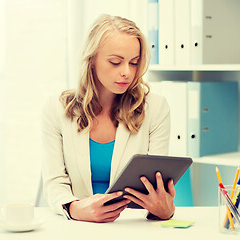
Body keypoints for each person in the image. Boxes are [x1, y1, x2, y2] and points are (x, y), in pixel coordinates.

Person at [42, 14, 175, 223]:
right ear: (92, 60)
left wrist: (163, 210)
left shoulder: (156, 108)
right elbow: (54, 182)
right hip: (78, 227)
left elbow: (156, 186)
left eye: (134, 63)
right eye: (115, 62)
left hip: (132, 228)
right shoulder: (56, 109)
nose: (127, 73)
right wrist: (75, 209)